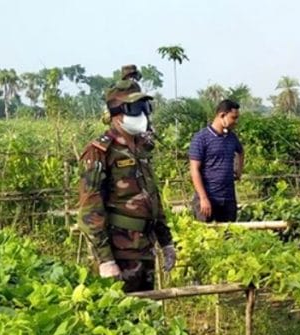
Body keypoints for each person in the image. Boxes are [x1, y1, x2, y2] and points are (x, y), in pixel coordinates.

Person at [78, 79, 175, 293]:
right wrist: (105, 260)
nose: (141, 114)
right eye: (134, 108)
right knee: (122, 318)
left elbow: (152, 197)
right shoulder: (100, 152)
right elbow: (89, 210)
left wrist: (166, 242)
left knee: (148, 316)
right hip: (119, 252)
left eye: (144, 107)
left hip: (145, 248)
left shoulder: (141, 147)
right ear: (115, 112)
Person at [189, 99, 244, 222]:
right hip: (207, 199)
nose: (236, 122)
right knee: (205, 237)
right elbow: (194, 170)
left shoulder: (231, 137)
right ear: (222, 115)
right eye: (233, 118)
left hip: (228, 199)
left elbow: (240, 152)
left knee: (229, 237)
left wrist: (238, 171)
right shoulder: (201, 138)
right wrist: (203, 198)